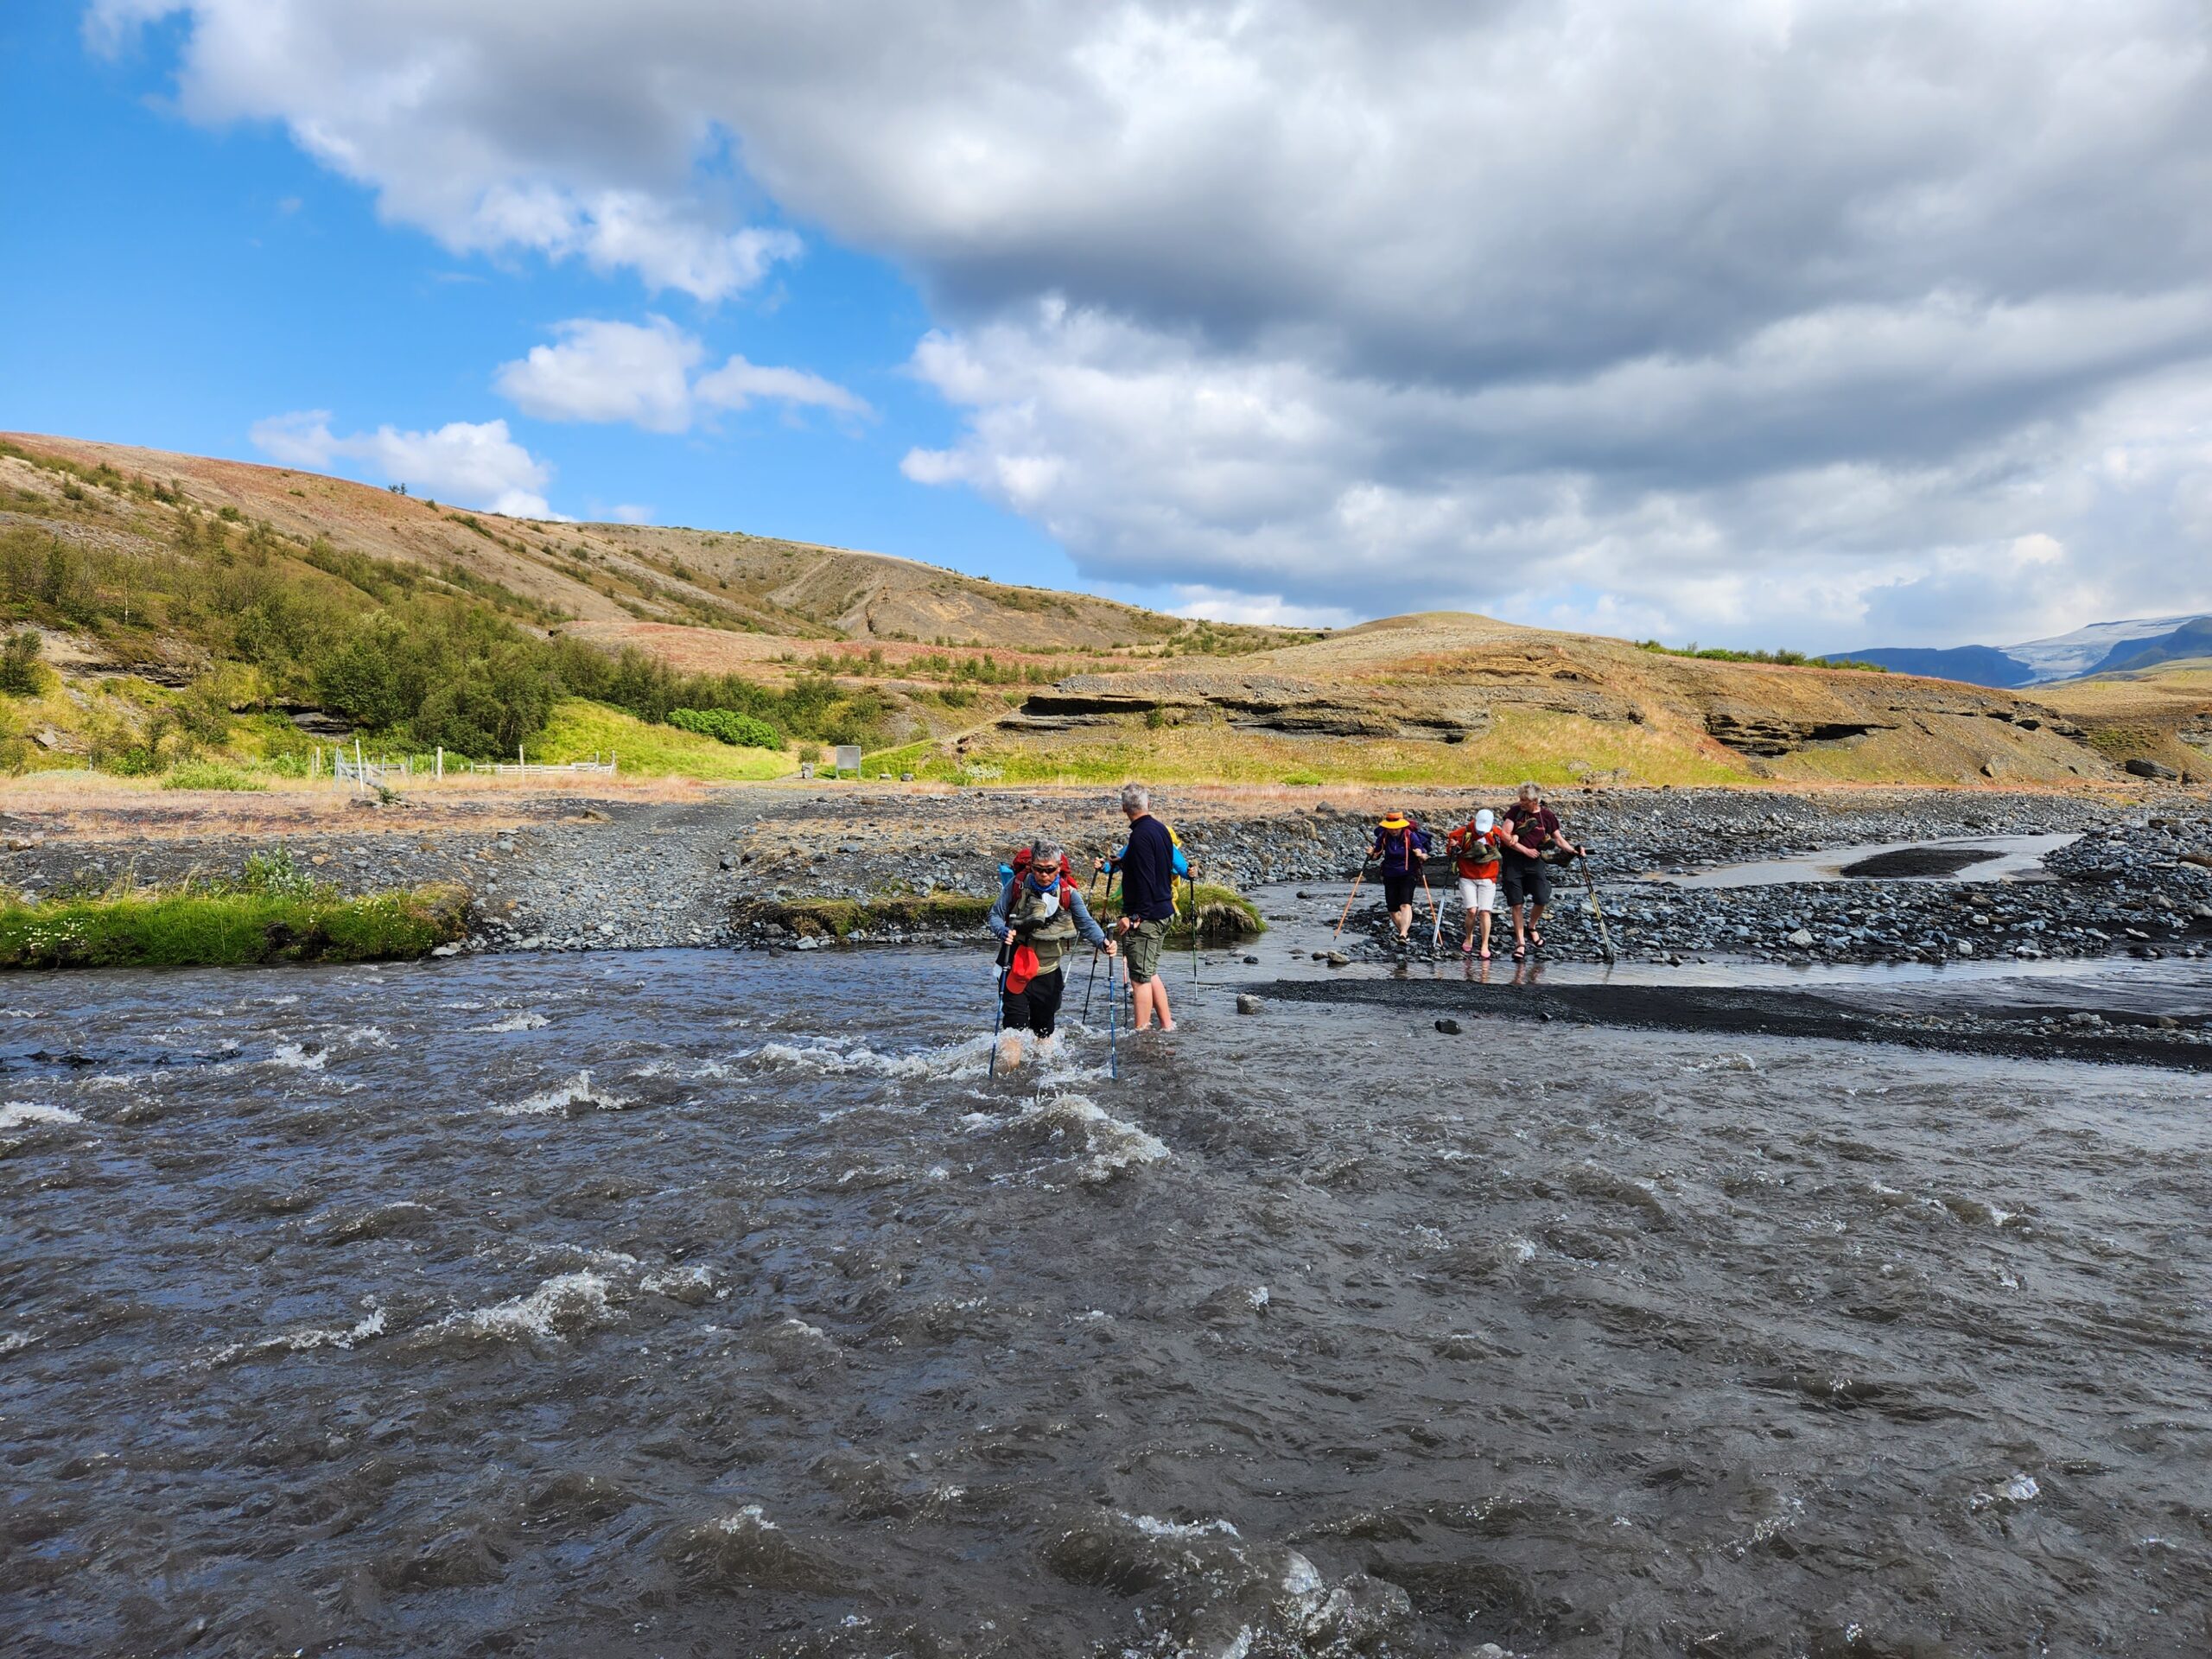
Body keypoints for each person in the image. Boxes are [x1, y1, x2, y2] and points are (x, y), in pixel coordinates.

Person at [986, 839, 1112, 1070]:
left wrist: (1103, 942)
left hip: (1048, 972)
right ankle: (1008, 1079)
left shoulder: (1068, 894)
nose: (1044, 875)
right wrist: (1002, 930)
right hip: (1015, 969)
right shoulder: (1017, 885)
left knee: (1043, 1031)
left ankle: (1041, 1077)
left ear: (1059, 867)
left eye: (1050, 870)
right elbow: (995, 915)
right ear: (1032, 866)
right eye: (1038, 869)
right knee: (1014, 1028)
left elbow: (1085, 923)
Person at [1099, 782, 1183, 1032]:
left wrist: (1135, 916)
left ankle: (1142, 1034)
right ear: (1149, 805)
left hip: (1147, 917)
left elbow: (1147, 877)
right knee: (1149, 972)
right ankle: (1167, 1025)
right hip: (1164, 910)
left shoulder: (1140, 836)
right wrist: (1124, 862)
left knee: (1138, 980)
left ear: (1124, 808)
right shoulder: (1160, 830)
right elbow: (1157, 869)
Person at [1498, 781, 1581, 960]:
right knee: (1517, 903)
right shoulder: (1515, 812)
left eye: (1525, 800)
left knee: (1542, 898)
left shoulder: (1547, 816)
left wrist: (1573, 850)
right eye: (1520, 799)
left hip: (1536, 862)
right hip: (1513, 862)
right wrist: (1524, 849)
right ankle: (1520, 943)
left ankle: (1532, 927)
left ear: (1535, 801)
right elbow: (1504, 837)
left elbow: (1558, 839)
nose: (1521, 802)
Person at [1444, 806, 1506, 959]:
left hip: (1488, 877)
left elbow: (1509, 844)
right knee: (1472, 910)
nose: (1482, 832)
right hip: (1467, 876)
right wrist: (1452, 847)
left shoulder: (1496, 832)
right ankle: (1469, 936)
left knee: (1485, 911)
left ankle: (1485, 944)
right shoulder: (1462, 832)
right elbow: (1449, 851)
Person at [1365, 810, 1432, 947]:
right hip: (1389, 874)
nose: (1393, 830)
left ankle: (1403, 934)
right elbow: (1376, 856)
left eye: (1396, 828)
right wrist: (1371, 854)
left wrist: (1421, 855)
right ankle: (1404, 935)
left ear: (1401, 826)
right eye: (1391, 828)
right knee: (1392, 909)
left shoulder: (1410, 836)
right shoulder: (1384, 836)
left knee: (1405, 904)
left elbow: (1420, 850)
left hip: (1408, 873)